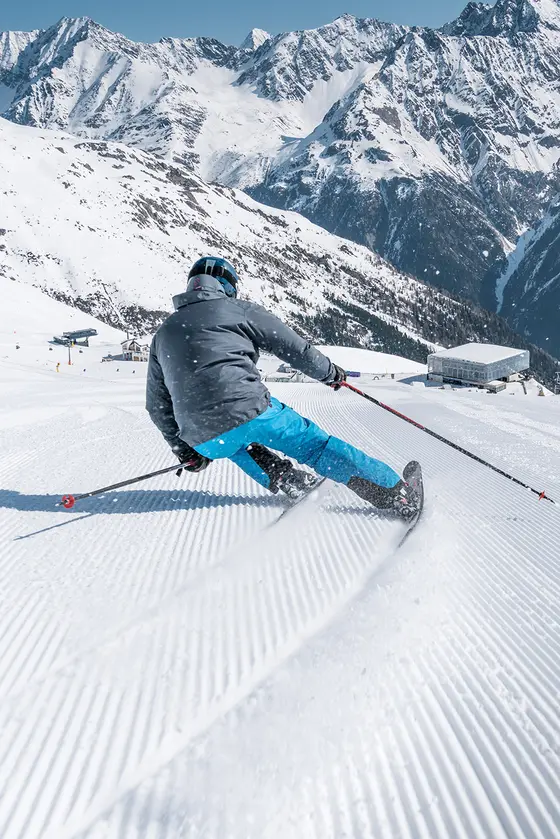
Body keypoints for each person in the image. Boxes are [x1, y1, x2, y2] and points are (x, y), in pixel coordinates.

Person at [146, 256, 420, 517]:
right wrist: (329, 374)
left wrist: (185, 449)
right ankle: (394, 493)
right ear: (228, 286)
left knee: (232, 441)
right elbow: (293, 348)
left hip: (202, 437)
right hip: (249, 408)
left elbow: (157, 405)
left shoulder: (162, 334)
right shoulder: (239, 310)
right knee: (315, 447)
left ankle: (286, 478)